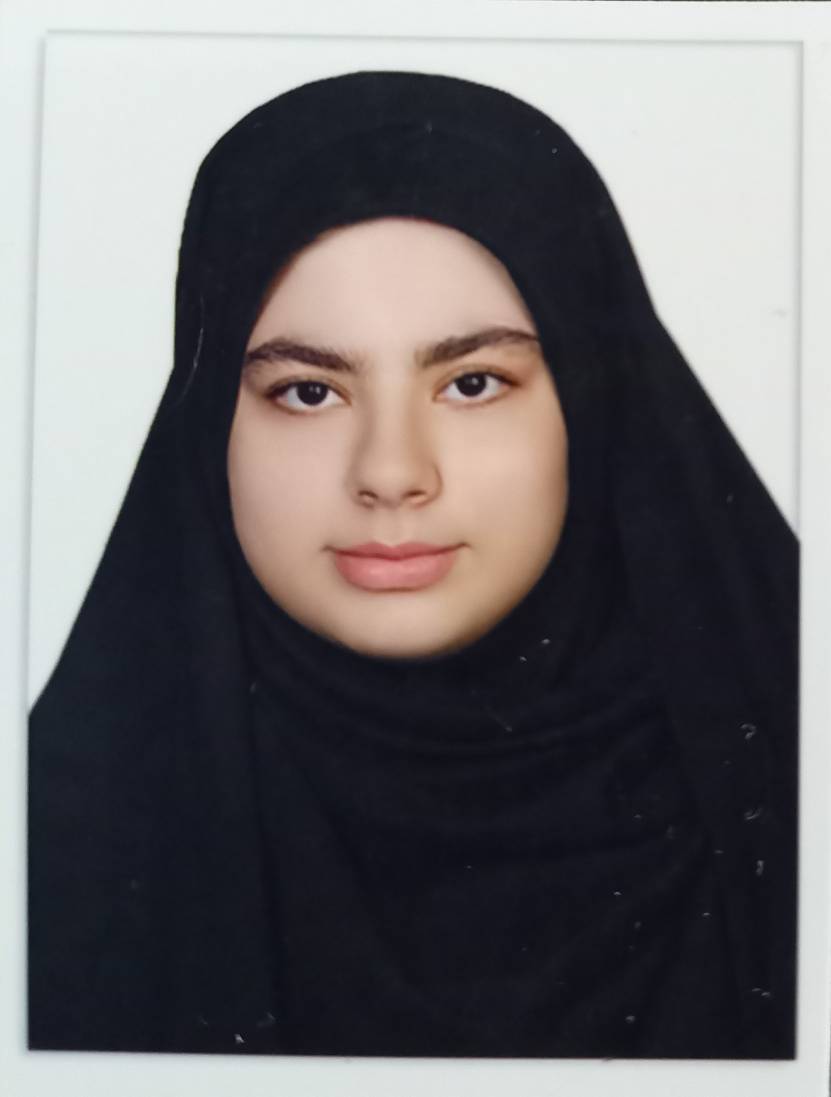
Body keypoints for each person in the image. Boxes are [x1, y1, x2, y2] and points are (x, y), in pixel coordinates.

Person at [28, 70, 797, 1059]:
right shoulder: (52, 847)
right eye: (308, 391)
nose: (390, 472)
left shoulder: (787, 778)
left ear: (595, 404)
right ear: (211, 418)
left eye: (472, 382)